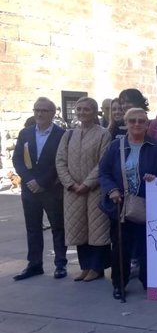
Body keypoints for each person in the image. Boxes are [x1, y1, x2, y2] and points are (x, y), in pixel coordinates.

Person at [99, 108, 157, 300]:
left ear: (147, 124)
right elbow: (104, 172)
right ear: (126, 123)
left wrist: (156, 178)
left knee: (148, 245)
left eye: (141, 121)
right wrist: (111, 189)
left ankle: (148, 280)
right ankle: (119, 283)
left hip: (147, 204)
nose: (137, 124)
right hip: (120, 205)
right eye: (132, 121)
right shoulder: (116, 146)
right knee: (120, 246)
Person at [55, 97, 112, 282]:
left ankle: (97, 267)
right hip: (73, 191)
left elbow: (103, 162)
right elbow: (60, 161)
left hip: (94, 189)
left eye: (86, 109)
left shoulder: (104, 134)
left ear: (95, 112)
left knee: (97, 230)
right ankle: (85, 266)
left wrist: (87, 183)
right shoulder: (68, 134)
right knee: (78, 229)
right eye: (78, 109)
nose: (81, 113)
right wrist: (70, 183)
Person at [12, 97, 68, 280]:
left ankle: (60, 264)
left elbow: (60, 162)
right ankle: (34, 264)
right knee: (33, 228)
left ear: (52, 113)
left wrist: (42, 182)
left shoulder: (61, 134)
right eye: (37, 110)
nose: (39, 113)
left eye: (44, 110)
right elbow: (18, 159)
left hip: (51, 189)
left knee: (58, 227)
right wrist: (28, 180)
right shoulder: (25, 133)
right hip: (29, 190)